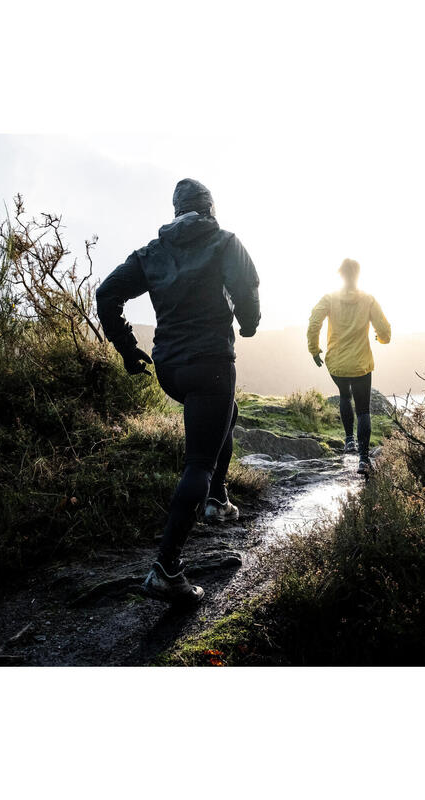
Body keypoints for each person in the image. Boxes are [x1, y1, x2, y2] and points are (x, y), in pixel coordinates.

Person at [96, 178, 260, 605]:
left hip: (170, 368)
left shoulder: (152, 252)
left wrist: (129, 350)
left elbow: (107, 293)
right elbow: (248, 289)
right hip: (210, 364)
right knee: (199, 462)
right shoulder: (224, 241)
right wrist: (248, 323)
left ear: (176, 211)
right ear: (208, 208)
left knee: (228, 414)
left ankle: (217, 499)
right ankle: (166, 569)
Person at [307, 258, 390, 474]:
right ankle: (363, 460)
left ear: (340, 274)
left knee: (345, 396)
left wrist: (314, 349)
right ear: (358, 275)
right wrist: (380, 338)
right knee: (363, 410)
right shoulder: (368, 300)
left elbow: (314, 322)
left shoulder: (329, 298)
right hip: (361, 364)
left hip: (336, 363)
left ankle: (349, 441)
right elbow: (385, 331)